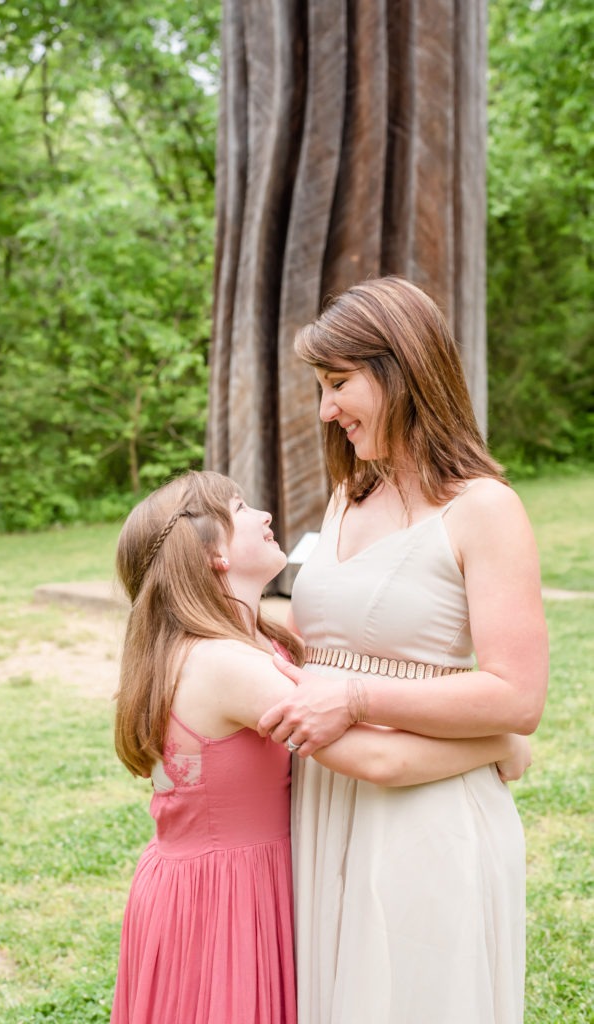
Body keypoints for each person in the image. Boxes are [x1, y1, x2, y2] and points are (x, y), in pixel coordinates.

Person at [109, 469, 531, 1024]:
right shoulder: (230, 666)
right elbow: (377, 759)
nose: (264, 516)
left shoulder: (254, 642)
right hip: (227, 898)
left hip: (204, 883)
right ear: (213, 553)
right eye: (241, 508)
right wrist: (500, 743)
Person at [258, 276, 549, 1024]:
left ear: (401, 369)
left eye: (337, 384)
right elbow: (338, 640)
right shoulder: (348, 495)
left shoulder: (484, 510)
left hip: (426, 818)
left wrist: (356, 698)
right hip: (328, 802)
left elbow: (518, 697)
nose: (325, 409)